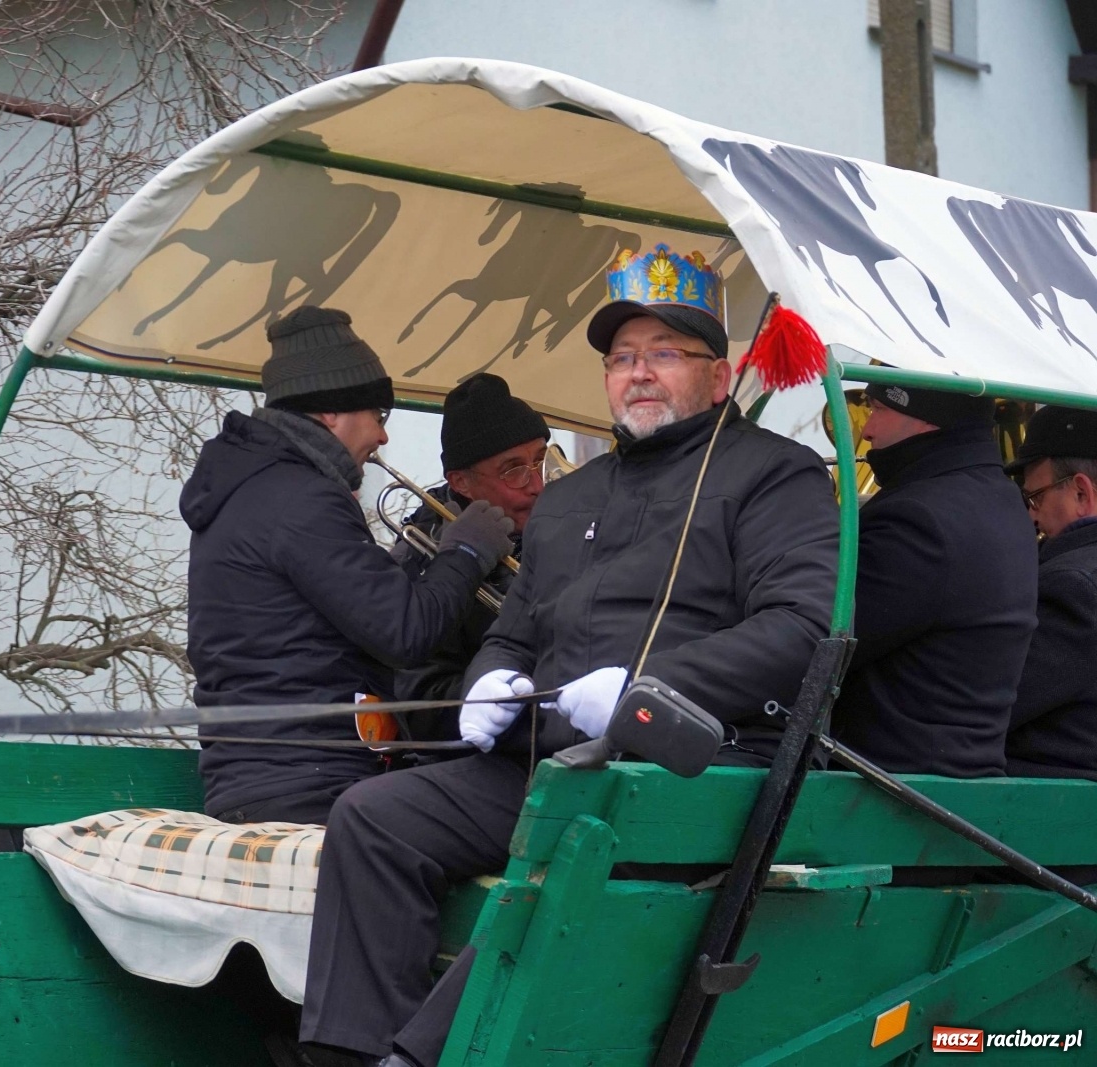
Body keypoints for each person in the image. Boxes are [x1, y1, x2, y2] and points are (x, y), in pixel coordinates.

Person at [295, 246, 840, 1067]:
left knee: (570, 831)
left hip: (687, 767)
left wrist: (649, 689)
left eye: (665, 353)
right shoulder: (570, 499)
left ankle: (419, 1058)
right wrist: (491, 682)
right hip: (545, 757)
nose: (638, 373)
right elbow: (515, 629)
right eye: (622, 358)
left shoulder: (777, 477)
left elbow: (802, 627)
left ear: (720, 377)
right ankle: (347, 1055)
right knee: (374, 818)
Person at [179, 305, 515, 826]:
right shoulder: (301, 498)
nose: (383, 437)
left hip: (271, 775)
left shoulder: (252, 490)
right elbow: (404, 633)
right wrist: (466, 551)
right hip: (308, 780)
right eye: (378, 417)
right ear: (331, 412)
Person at [828, 385, 1038, 777]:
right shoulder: (1001, 499)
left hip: (883, 782)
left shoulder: (918, 517)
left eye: (877, 409)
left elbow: (824, 642)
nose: (868, 429)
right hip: (950, 772)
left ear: (926, 416)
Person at [391, 374, 549, 738]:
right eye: (514, 471)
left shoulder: (561, 524)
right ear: (460, 482)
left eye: (541, 460)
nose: (538, 484)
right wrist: (527, 698)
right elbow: (419, 698)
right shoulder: (419, 559)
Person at [1004, 406, 1097, 779]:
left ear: (1080, 492)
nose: (1031, 516)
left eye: (1035, 497)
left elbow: (995, 706)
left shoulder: (1073, 587)